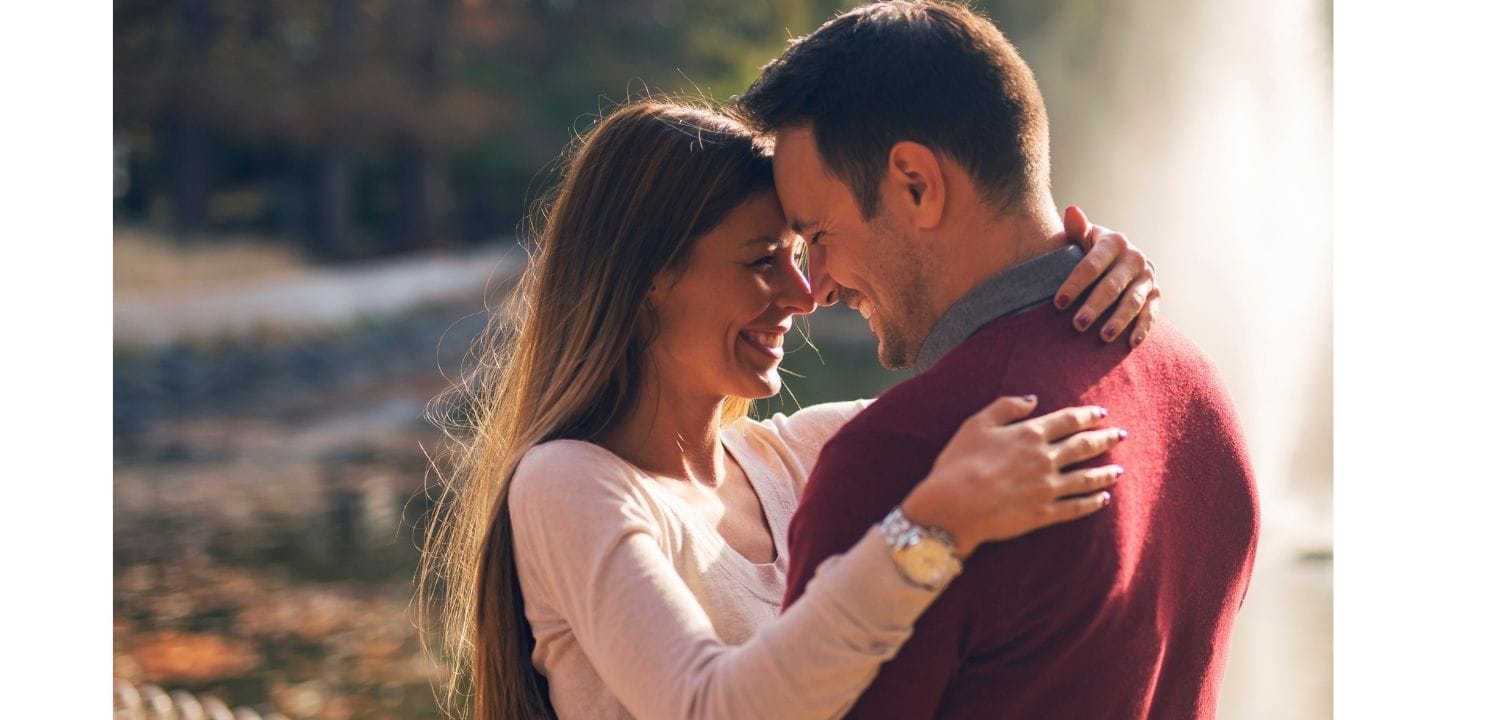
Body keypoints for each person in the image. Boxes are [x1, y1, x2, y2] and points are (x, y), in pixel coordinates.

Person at [421, 100, 1162, 720]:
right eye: (759, 261)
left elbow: (1000, 389)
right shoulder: (569, 484)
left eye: (799, 254)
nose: (804, 296)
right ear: (649, 277)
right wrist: (933, 529)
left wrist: (1086, 272)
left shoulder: (805, 454)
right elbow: (711, 707)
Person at [735, 1, 1260, 718]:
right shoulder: (1198, 391)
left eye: (818, 234)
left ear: (916, 185)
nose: (816, 286)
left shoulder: (905, 459)